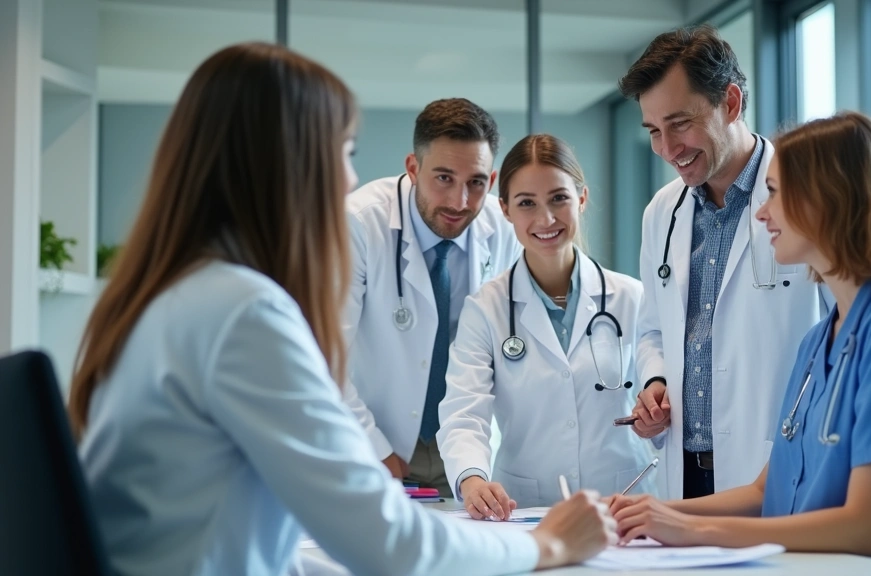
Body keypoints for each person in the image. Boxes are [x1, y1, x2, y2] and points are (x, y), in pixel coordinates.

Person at [70, 42, 616, 576]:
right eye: (345, 152)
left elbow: (252, 526)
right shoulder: (244, 315)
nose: (351, 179)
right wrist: (546, 546)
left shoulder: (174, 296)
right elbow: (388, 543)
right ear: (287, 161)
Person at [608, 111, 871, 568]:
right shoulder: (821, 339)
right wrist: (648, 512)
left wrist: (690, 530)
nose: (760, 211)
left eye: (774, 194)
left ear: (828, 200)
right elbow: (765, 490)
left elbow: (863, 530)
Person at [618, 25, 824, 499]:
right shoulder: (661, 213)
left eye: (680, 124)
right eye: (653, 131)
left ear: (730, 103)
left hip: (775, 463)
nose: (667, 150)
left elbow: (844, 324)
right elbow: (652, 328)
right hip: (684, 472)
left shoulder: (807, 194)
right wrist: (653, 382)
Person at [437, 134, 656, 517]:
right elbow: (463, 411)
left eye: (559, 198)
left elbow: (664, 395)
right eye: (526, 203)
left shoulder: (632, 298)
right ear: (505, 209)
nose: (546, 219)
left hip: (624, 502)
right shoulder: (486, 309)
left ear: (582, 199)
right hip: (527, 509)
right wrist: (472, 478)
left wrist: (657, 416)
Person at [341, 98, 520, 496]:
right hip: (370, 440)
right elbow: (325, 356)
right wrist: (376, 450)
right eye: (443, 178)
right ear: (413, 168)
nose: (459, 202)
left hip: (466, 450)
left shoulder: (504, 229)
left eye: (475, 182)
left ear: (491, 181)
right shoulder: (357, 223)